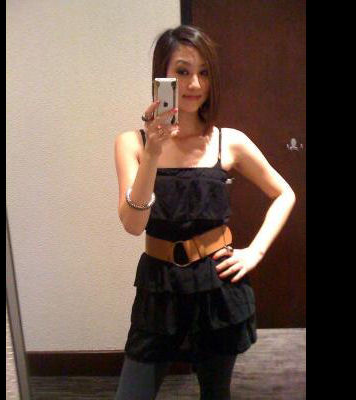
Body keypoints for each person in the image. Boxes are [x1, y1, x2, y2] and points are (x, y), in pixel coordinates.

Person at [114, 25, 295, 400]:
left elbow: (284, 194)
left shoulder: (229, 141)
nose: (195, 83)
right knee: (132, 393)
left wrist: (255, 251)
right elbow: (133, 224)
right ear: (162, 76)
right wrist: (153, 153)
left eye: (204, 72)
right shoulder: (132, 143)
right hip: (159, 285)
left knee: (215, 392)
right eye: (182, 71)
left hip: (217, 284)